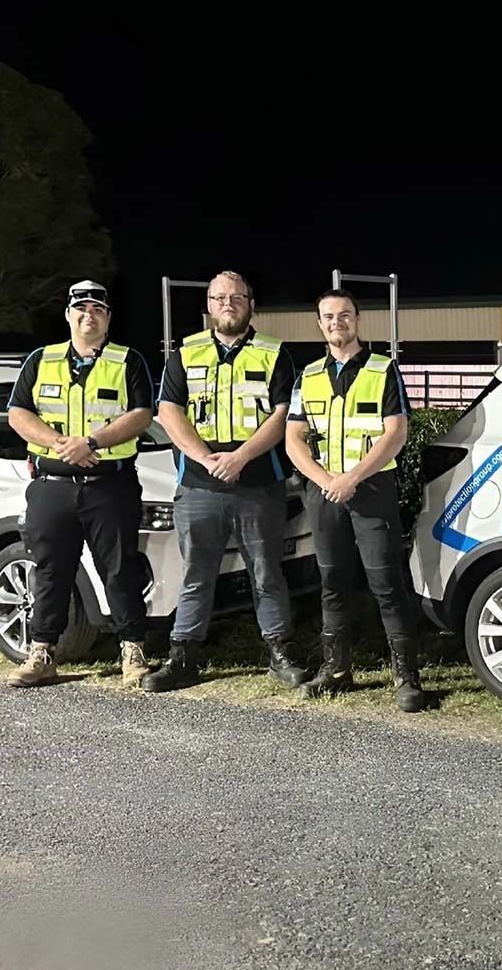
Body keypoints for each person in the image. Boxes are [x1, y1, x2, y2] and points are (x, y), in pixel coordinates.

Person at [142, 270, 306, 692]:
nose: (228, 304)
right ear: (209, 306)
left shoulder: (275, 354)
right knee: (196, 574)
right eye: (219, 298)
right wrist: (204, 458)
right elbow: (169, 411)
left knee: (267, 573)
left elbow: (283, 414)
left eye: (236, 297)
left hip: (258, 484)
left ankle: (280, 652)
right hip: (199, 485)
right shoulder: (185, 353)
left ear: (251, 304)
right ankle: (183, 657)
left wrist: (240, 457)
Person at [5, 279, 155, 688]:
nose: (89, 316)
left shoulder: (128, 361)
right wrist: (62, 445)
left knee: (120, 570)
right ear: (69, 315)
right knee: (50, 571)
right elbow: (18, 414)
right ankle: (42, 653)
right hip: (53, 484)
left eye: (98, 310)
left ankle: (133, 651)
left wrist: (91, 443)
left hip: (109, 485)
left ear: (108, 317)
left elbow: (142, 414)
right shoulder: (41, 359)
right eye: (81, 309)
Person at [285, 288, 425, 712]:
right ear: (319, 323)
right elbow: (294, 440)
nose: (337, 322)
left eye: (344, 314)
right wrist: (327, 480)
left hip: (371, 490)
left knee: (386, 583)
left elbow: (395, 433)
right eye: (328, 316)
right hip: (325, 492)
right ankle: (337, 670)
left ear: (357, 319)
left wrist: (352, 478)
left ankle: (407, 676)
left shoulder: (383, 369)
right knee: (332, 582)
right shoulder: (307, 376)